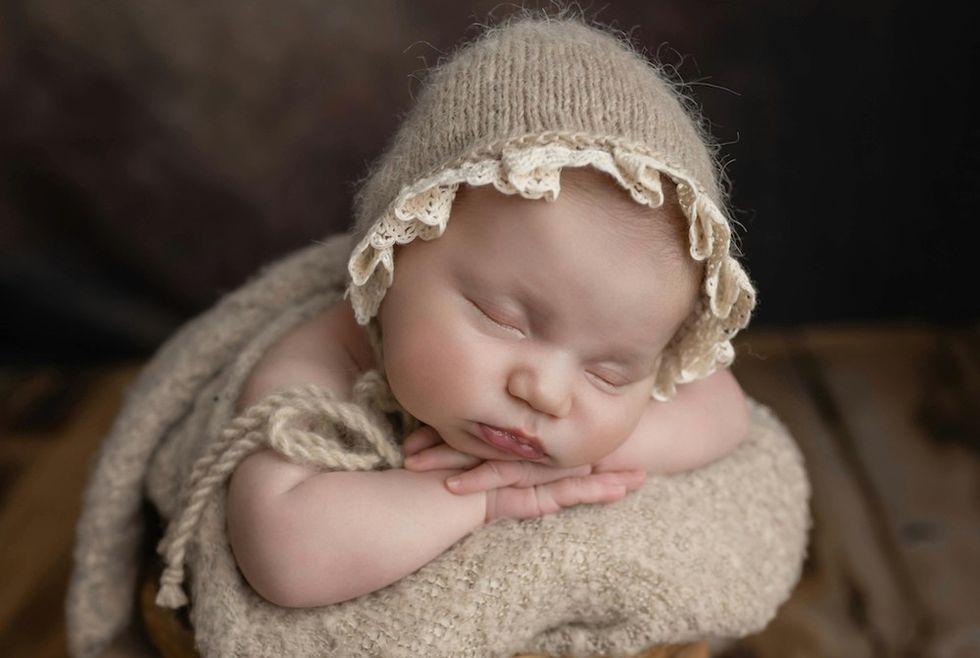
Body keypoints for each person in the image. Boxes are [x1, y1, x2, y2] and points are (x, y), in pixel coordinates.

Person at [223, 12, 757, 610]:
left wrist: (592, 449)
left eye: (610, 373)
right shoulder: (323, 354)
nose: (549, 395)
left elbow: (725, 409)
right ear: (395, 248)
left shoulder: (613, 350)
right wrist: (479, 498)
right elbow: (286, 558)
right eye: (504, 319)